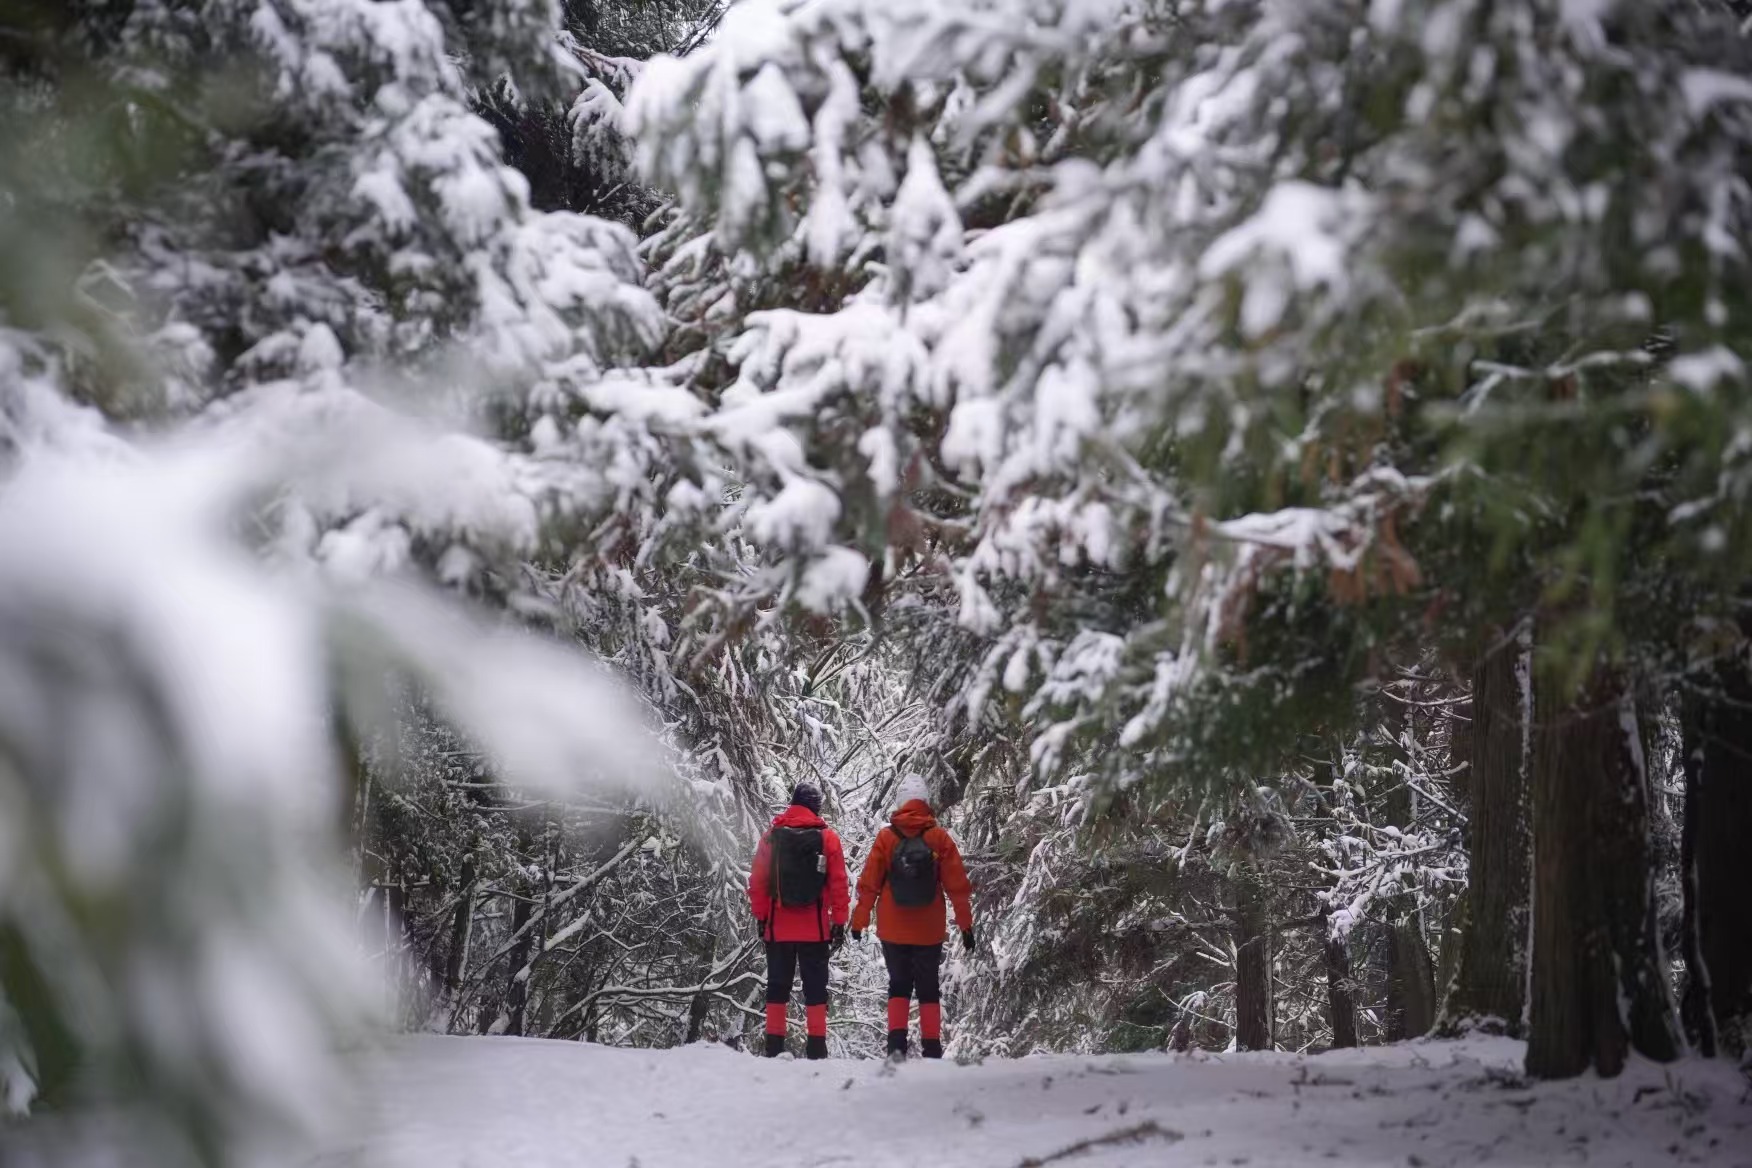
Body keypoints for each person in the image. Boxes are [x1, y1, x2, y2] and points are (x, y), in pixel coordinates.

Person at [850, 773, 975, 1060]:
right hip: (929, 928)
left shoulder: (886, 838)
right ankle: (932, 1048)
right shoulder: (939, 838)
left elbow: (869, 884)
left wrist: (859, 921)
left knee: (899, 983)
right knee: (928, 985)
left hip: (892, 927)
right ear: (925, 802)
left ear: (899, 802)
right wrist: (966, 926)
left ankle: (896, 1046)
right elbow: (957, 887)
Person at [748, 782, 849, 1059]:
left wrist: (761, 916)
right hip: (814, 930)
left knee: (777, 986)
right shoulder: (828, 839)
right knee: (815, 989)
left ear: (792, 803)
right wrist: (839, 921)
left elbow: (758, 881)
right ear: (816, 807)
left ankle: (774, 1047)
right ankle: (816, 1047)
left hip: (778, 928)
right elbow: (839, 884)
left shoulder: (771, 837)